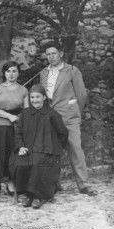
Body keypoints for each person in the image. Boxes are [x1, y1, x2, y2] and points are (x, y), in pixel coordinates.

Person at [40, 41, 97, 196]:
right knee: (52, 150)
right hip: (51, 118)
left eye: (54, 53)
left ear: (61, 54)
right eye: (48, 54)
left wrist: (75, 111)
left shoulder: (72, 71)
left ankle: (83, 184)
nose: (51, 57)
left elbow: (82, 94)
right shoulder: (44, 73)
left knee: (75, 148)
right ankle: (55, 183)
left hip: (69, 117)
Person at [11, 84, 68, 208]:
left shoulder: (52, 114)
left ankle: (39, 196)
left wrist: (55, 148)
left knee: (39, 165)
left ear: (43, 97)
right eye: (32, 98)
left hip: (48, 151)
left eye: (38, 97)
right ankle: (27, 193)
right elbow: (18, 133)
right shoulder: (25, 113)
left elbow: (63, 133)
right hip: (28, 150)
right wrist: (20, 147)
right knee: (19, 163)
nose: (35, 100)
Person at [0, 61, 29, 197]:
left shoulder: (23, 90)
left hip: (15, 128)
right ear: (4, 73)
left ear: (18, 73)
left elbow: (27, 110)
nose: (11, 74)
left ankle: (10, 183)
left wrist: (19, 119)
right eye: (9, 71)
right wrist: (8, 116)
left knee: (11, 155)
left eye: (14, 71)